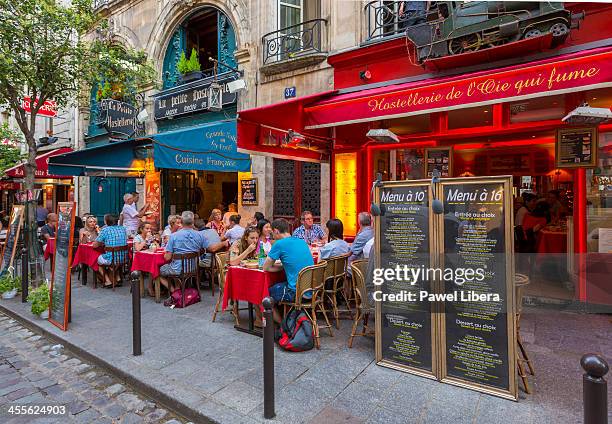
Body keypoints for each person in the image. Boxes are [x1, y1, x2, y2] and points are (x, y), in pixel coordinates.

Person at [264, 219, 314, 318]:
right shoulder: (301, 241)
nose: (272, 236)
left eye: (272, 233)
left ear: (276, 231)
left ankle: (282, 325)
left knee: (264, 294)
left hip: (295, 292)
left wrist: (282, 267)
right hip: (311, 289)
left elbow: (266, 267)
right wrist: (285, 266)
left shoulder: (279, 244)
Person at [93, 214, 128, 287]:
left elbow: (95, 245)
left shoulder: (105, 230)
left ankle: (107, 280)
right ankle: (117, 278)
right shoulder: (123, 228)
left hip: (111, 259)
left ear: (106, 221)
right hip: (123, 258)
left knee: (95, 260)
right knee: (115, 258)